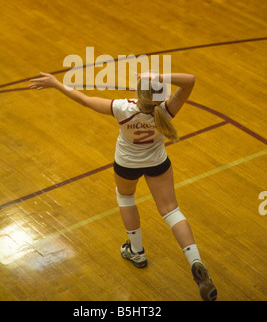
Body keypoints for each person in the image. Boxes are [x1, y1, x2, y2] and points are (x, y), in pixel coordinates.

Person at [29, 70, 217, 301]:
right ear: (160, 93)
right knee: (171, 211)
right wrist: (158, 75)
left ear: (139, 93)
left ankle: (137, 252)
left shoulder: (122, 108)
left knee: (126, 198)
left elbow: (84, 100)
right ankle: (195, 261)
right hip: (157, 163)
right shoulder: (167, 110)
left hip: (126, 165)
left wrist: (56, 83)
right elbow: (190, 80)